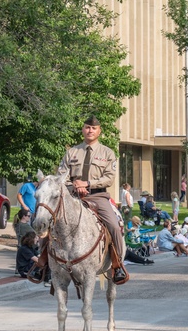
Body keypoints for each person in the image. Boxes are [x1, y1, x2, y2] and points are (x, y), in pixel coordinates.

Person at [30, 116, 129, 284]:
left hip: (98, 196)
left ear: (99, 131)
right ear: (83, 130)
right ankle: (43, 262)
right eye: (87, 127)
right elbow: (61, 176)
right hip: (72, 196)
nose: (90, 130)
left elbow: (109, 178)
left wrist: (88, 183)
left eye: (93, 128)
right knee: (50, 223)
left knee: (112, 224)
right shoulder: (72, 152)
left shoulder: (107, 153)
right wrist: (75, 185)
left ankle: (117, 264)